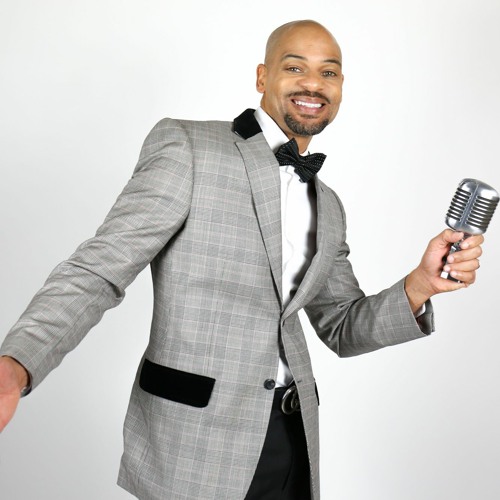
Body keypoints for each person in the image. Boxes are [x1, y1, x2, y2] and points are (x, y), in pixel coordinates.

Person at [0, 19, 483, 500]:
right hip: (195, 441)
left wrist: (421, 284)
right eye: (295, 67)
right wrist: (17, 363)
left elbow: (342, 327)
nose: (313, 84)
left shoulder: (329, 205)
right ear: (262, 77)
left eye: (329, 72)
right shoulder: (189, 147)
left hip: (293, 441)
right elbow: (100, 269)